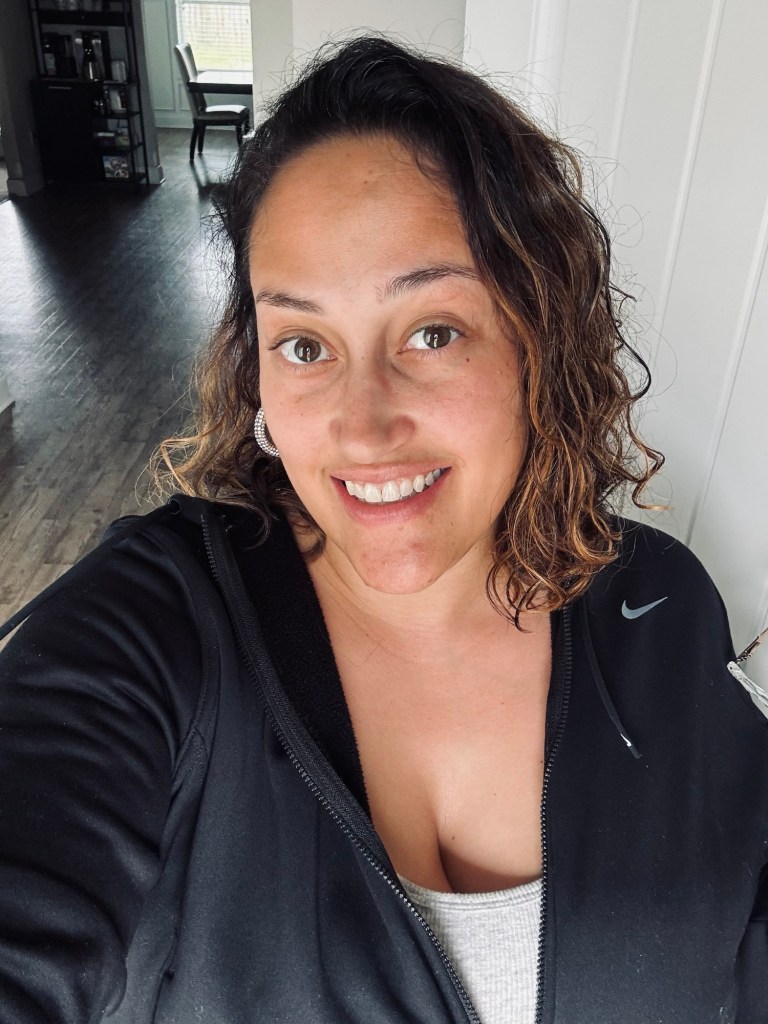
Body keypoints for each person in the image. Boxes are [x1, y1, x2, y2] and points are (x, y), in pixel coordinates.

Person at [1, 35, 767, 1024]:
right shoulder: (152, 625)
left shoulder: (660, 604)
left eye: (432, 333)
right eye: (304, 345)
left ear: (538, 342)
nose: (361, 429)